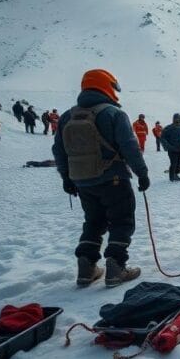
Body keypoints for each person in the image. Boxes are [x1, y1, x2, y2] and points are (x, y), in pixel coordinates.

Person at [52, 69, 147, 288]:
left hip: (83, 181)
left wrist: (66, 178)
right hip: (114, 179)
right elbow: (130, 147)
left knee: (93, 222)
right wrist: (142, 173)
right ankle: (116, 268)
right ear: (106, 86)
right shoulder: (113, 114)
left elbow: (59, 150)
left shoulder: (67, 116)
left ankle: (86, 268)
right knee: (122, 220)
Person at [161, 113, 180, 181]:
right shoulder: (169, 128)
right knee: (173, 163)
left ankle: (176, 174)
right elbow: (162, 138)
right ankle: (172, 177)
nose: (177, 119)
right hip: (172, 150)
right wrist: (168, 146)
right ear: (173, 119)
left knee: (179, 162)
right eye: (176, 118)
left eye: (178, 118)